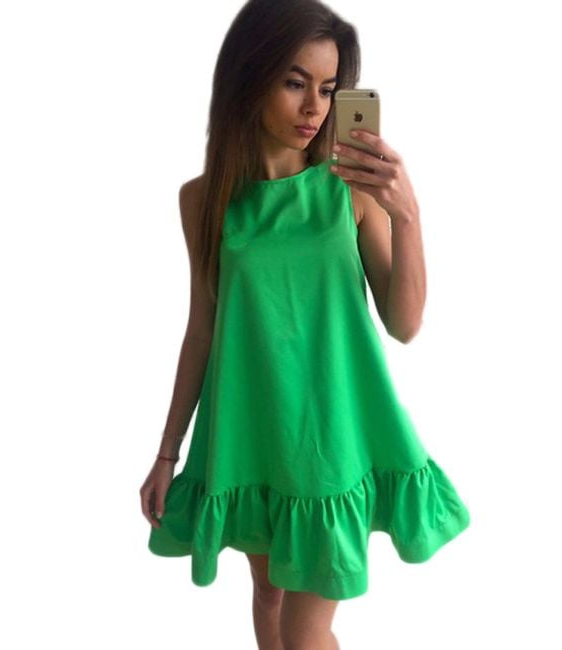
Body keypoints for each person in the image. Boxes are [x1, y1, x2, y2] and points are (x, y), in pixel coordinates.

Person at [139, 1, 470, 648]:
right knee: (267, 594)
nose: (315, 108)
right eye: (295, 83)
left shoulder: (350, 187)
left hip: (331, 438)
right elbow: (202, 329)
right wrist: (167, 452)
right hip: (251, 432)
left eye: (328, 88)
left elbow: (405, 324)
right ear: (249, 76)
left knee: (304, 630)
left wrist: (406, 216)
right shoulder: (202, 200)